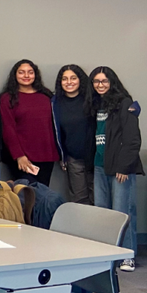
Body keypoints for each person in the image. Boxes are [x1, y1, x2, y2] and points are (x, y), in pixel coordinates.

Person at [90, 66, 143, 272]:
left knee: (123, 211)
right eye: (96, 82)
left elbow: (132, 138)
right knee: (103, 212)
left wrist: (125, 166)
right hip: (100, 165)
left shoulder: (124, 103)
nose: (100, 85)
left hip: (121, 167)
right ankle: (107, 254)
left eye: (104, 81)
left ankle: (127, 255)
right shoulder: (96, 105)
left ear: (112, 82)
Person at [0, 59, 58, 186]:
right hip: (22, 157)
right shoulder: (8, 98)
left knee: (43, 194)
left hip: (46, 155)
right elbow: (8, 128)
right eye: (21, 72)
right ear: (15, 75)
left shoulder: (46, 95)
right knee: (26, 195)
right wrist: (19, 156)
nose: (26, 76)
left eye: (30, 72)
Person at [51, 64, 94, 205]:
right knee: (79, 200)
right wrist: (62, 155)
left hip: (97, 158)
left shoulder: (92, 99)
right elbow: (56, 131)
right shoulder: (55, 102)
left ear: (80, 79)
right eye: (65, 79)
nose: (69, 82)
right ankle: (83, 227)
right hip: (74, 159)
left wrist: (132, 108)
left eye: (73, 78)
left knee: (99, 199)